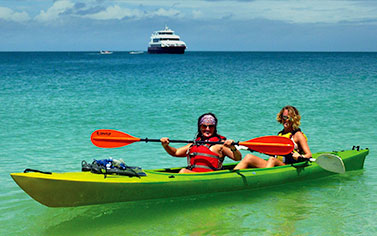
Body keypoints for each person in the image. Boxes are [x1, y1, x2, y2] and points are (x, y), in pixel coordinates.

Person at [234, 105, 312, 169]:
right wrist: (254, 148)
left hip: (287, 166)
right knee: (249, 157)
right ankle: (234, 176)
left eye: (288, 118)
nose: (285, 120)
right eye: (283, 117)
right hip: (275, 165)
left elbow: (309, 154)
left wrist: (300, 156)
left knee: (272, 160)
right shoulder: (280, 134)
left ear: (294, 119)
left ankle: (263, 180)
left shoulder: (298, 135)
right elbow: (274, 152)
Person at [160, 113, 242, 173]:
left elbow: (237, 158)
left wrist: (233, 147)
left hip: (211, 177)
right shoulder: (194, 144)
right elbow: (175, 152)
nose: (207, 129)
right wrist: (165, 145)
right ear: (199, 127)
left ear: (215, 127)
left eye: (211, 126)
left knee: (183, 171)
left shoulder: (221, 144)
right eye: (204, 126)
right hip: (195, 175)